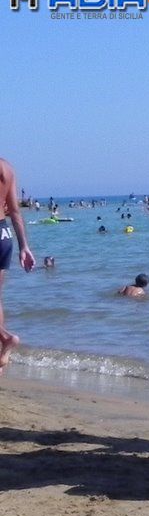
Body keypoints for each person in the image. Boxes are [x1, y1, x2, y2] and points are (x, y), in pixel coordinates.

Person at [0, 158, 36, 375]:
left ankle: (6, 338)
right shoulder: (7, 168)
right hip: (4, 235)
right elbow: (15, 210)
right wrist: (24, 246)